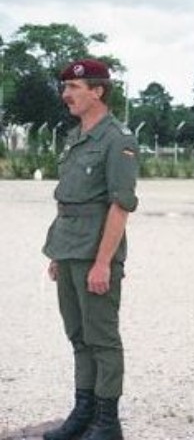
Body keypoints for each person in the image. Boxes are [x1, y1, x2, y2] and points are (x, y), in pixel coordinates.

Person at [42, 59, 139, 440]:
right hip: (69, 249)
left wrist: (102, 263)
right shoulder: (76, 135)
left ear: (97, 91)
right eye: (64, 87)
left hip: (94, 255)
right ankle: (84, 411)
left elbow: (120, 205)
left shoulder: (117, 140)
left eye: (74, 88)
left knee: (102, 338)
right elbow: (69, 199)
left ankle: (106, 421)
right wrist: (57, 254)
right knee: (78, 336)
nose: (66, 95)